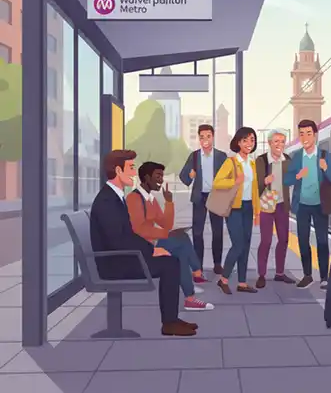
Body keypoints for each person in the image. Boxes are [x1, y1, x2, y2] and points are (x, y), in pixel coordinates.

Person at [89, 150, 196, 336]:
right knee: (170, 264)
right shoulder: (108, 200)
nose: (133, 172)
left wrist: (151, 249)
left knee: (171, 258)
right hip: (113, 264)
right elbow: (118, 240)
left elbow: (126, 234)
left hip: (120, 257)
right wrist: (150, 250)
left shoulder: (115, 196)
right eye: (130, 168)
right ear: (118, 170)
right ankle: (169, 322)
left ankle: (172, 319)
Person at [128, 161, 214, 311]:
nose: (161, 180)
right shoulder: (134, 199)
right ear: (147, 178)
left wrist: (169, 202)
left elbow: (165, 224)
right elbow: (138, 229)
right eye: (158, 176)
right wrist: (166, 234)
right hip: (143, 248)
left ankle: (190, 295)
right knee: (181, 242)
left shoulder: (150, 199)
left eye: (162, 176)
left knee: (181, 244)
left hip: (153, 242)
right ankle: (195, 278)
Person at [284, 119, 331, 289]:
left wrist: (325, 168)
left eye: (309, 133)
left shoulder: (324, 156)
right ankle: (307, 275)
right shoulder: (297, 157)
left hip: (320, 205)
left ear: (315, 135)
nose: (305, 137)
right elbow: (286, 179)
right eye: (302, 134)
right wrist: (297, 176)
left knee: (322, 241)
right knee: (302, 241)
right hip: (302, 206)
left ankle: (325, 277)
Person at [213, 128, 261, 294]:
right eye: (245, 140)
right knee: (238, 244)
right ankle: (224, 279)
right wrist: (234, 181)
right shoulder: (231, 162)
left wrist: (257, 212)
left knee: (246, 245)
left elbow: (254, 189)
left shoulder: (252, 164)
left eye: (252, 140)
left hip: (248, 207)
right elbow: (217, 182)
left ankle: (242, 283)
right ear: (238, 142)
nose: (249, 144)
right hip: (234, 208)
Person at [178, 124, 228, 276]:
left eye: (208, 136)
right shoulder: (194, 156)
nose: (205, 140)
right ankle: (198, 264)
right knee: (197, 233)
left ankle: (217, 264)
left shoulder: (221, 156)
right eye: (202, 137)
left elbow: (228, 177)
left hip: (216, 197)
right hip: (199, 197)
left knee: (217, 232)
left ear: (213, 137)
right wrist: (190, 176)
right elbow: (183, 176)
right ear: (198, 139)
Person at [255, 130, 296, 288]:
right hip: (267, 202)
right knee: (266, 240)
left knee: (283, 239)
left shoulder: (287, 160)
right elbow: (256, 184)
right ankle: (261, 274)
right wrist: (264, 181)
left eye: (282, 141)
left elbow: (291, 179)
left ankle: (279, 273)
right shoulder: (262, 160)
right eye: (276, 141)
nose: (280, 145)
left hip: (282, 204)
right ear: (270, 143)